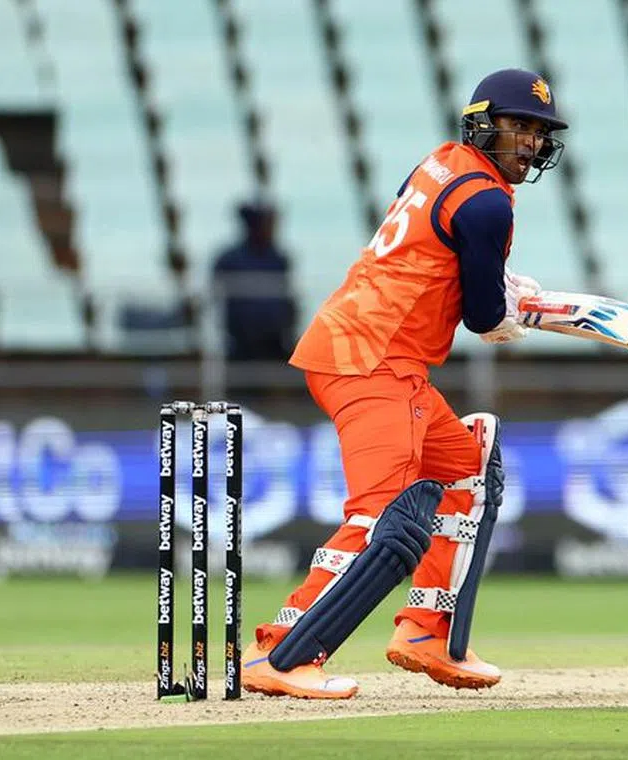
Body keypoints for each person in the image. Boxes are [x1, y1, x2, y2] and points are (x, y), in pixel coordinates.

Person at [241, 68, 567, 699]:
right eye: (517, 125)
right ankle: (281, 653)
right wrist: (516, 311)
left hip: (376, 351)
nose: (528, 142)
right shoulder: (489, 201)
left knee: (469, 467)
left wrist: (504, 285)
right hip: (372, 357)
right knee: (380, 514)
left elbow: (436, 252)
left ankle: (427, 630)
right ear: (483, 122)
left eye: (537, 131)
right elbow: (481, 317)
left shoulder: (442, 163)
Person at [211, 201, 297, 361]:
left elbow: (288, 297)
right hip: (241, 340)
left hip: (276, 339)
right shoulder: (229, 260)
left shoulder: (279, 259)